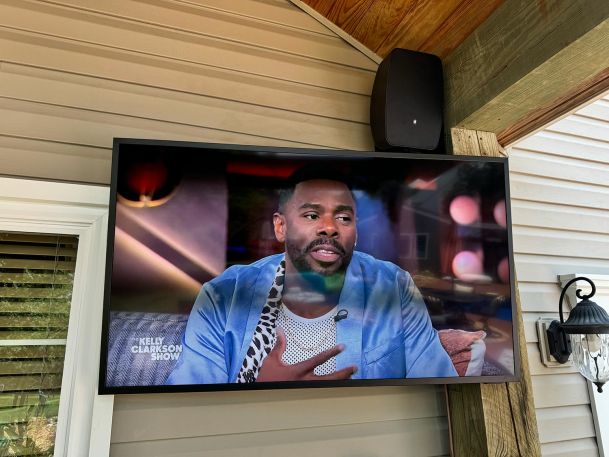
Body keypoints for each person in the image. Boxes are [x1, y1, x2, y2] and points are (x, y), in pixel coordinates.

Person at [166, 167, 457, 384]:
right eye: (312, 215)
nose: (330, 228)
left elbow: (438, 385)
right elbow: (186, 410)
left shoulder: (395, 287)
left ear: (356, 233)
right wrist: (260, 393)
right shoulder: (222, 296)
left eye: (344, 218)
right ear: (281, 228)